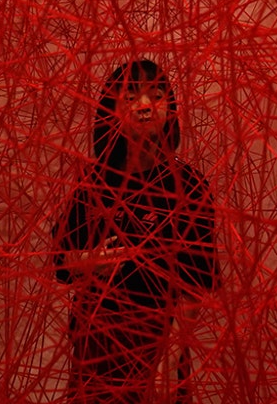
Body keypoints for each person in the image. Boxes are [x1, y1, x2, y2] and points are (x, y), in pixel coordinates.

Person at [55, 60, 218, 403]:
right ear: (111, 110)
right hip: (96, 344)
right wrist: (87, 262)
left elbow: (196, 284)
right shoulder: (94, 182)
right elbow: (61, 263)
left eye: (156, 95)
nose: (144, 105)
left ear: (170, 108)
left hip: (159, 339)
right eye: (130, 97)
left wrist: (168, 362)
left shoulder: (189, 185)